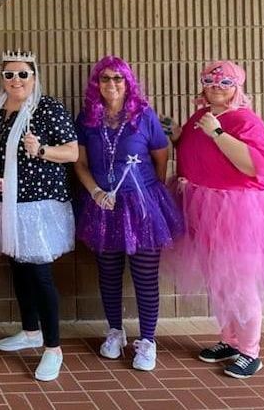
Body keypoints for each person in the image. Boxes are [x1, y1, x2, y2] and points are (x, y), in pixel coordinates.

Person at [164, 60, 264, 379]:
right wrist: (178, 135)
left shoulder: (245, 120)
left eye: (224, 82)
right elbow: (196, 151)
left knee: (241, 283)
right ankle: (230, 340)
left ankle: (250, 351)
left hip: (239, 213)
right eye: (210, 80)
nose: (216, 87)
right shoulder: (201, 117)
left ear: (237, 86)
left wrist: (218, 133)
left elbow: (255, 165)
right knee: (219, 280)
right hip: (203, 207)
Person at [73, 57, 183, 372]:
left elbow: (161, 159)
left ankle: (147, 340)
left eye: (118, 79)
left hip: (143, 206)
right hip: (103, 205)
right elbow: (80, 164)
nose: (112, 85)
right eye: (105, 79)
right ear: (97, 83)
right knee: (108, 273)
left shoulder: (144, 116)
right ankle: (115, 332)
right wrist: (95, 192)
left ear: (128, 83)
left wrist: (149, 197)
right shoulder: (87, 119)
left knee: (145, 276)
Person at [0, 50, 78, 382]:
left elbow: (72, 152)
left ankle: (53, 348)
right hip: (2, 202)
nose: (16, 81)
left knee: (39, 274)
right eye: (9, 75)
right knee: (18, 268)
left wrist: (40, 150)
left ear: (34, 77)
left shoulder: (47, 108)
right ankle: (30, 331)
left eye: (23, 74)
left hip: (36, 206)